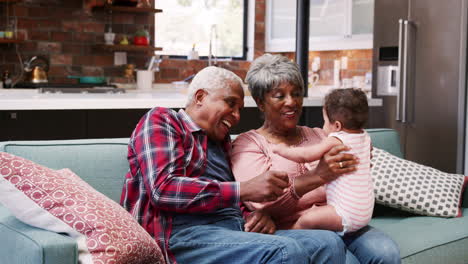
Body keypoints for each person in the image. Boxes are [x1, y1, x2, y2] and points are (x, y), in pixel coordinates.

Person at [121, 66, 356, 264]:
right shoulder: (163, 120)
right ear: (200, 97)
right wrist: (244, 189)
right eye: (230, 104)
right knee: (286, 252)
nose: (236, 116)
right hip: (180, 235)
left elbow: (228, 198)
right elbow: (164, 189)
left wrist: (255, 214)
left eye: (240, 109)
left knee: (328, 243)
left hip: (231, 229)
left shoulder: (222, 142)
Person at [230, 54, 401, 264]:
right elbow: (261, 203)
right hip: (295, 229)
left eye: (296, 93)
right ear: (260, 102)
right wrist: (319, 176)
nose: (291, 102)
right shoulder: (248, 145)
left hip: (340, 219)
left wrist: (360, 159)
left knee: (386, 253)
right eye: (279, 95)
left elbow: (353, 175)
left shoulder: (320, 135)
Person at [272, 88, 374, 233]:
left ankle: (287, 233)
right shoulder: (365, 138)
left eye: (325, 121)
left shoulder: (337, 139)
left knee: (308, 219)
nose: (323, 126)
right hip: (365, 212)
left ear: (337, 126)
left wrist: (284, 150)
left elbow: (307, 155)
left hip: (344, 213)